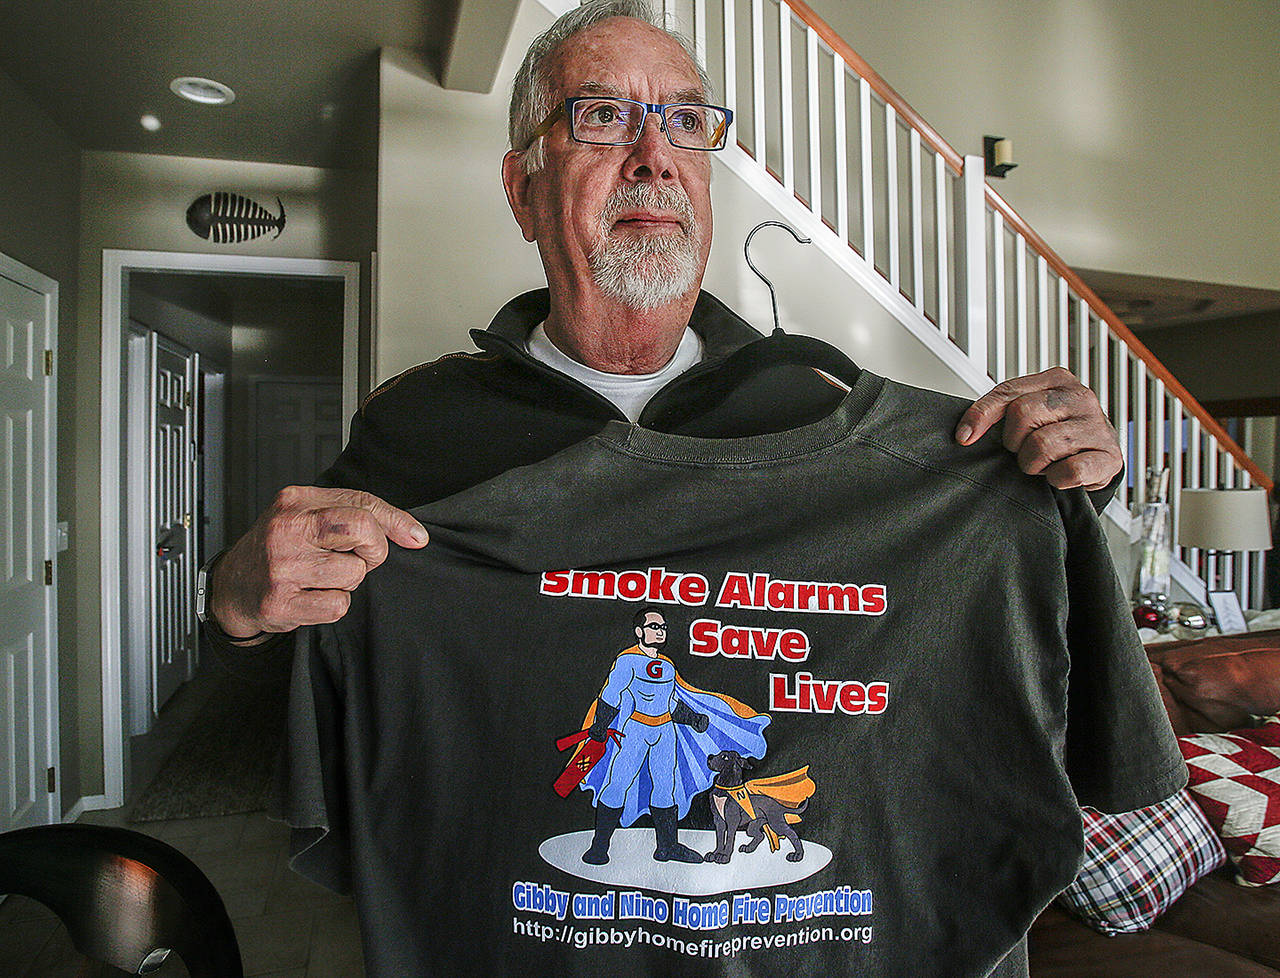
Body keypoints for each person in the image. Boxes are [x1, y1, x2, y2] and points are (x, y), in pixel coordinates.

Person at [200, 0, 1123, 650]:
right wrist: (239, 596)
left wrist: (1059, 476)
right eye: (603, 118)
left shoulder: (819, 396)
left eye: (686, 124)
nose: (656, 158)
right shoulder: (417, 423)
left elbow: (960, 578)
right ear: (524, 190)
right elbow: (306, 645)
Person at [566, 607, 770, 866]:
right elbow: (611, 694)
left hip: (664, 732)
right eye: (654, 627)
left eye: (662, 627)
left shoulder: (667, 665)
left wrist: (693, 719)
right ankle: (599, 847)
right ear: (639, 631)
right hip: (636, 730)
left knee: (665, 788)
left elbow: (671, 701)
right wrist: (601, 724)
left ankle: (667, 846)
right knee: (618, 783)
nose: (660, 631)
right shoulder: (628, 660)